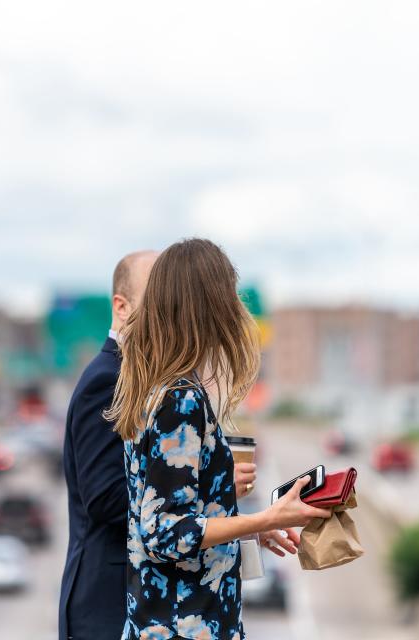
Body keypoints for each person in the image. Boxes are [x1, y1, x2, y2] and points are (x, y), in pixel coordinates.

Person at [107, 238, 332, 640]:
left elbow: (172, 510)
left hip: (161, 623)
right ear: (209, 305)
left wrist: (248, 528)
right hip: (188, 627)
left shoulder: (152, 389)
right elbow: (163, 531)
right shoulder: (182, 400)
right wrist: (267, 518)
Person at [59, 250, 258, 640]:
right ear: (121, 306)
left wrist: (219, 503)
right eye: (161, 295)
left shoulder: (151, 377)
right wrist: (210, 489)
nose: (169, 306)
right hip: (111, 603)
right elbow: (105, 499)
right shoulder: (110, 378)